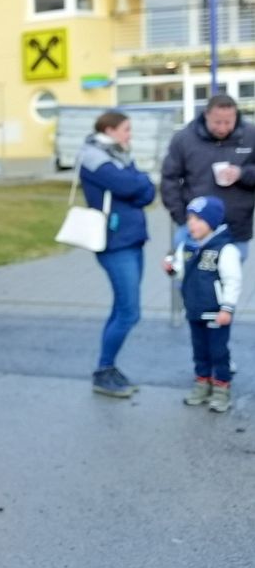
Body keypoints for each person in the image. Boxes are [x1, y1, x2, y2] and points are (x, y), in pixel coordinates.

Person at [79, 111, 156, 398]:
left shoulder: (119, 154)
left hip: (132, 239)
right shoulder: (93, 157)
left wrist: (140, 183)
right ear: (109, 130)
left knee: (121, 308)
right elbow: (132, 186)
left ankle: (107, 369)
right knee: (129, 312)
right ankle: (103, 370)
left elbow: (147, 193)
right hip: (114, 244)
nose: (129, 135)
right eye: (126, 129)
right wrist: (140, 182)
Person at [164, 196, 240, 413]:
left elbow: (232, 281)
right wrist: (171, 269)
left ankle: (221, 389)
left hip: (216, 313)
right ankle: (202, 383)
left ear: (213, 222)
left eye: (198, 219)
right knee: (199, 351)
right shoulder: (186, 246)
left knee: (218, 352)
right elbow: (179, 271)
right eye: (189, 218)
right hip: (194, 310)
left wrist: (227, 308)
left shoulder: (225, 250)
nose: (191, 223)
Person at [161, 93, 255, 260]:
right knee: (189, 281)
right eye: (217, 122)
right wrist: (182, 218)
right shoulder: (184, 138)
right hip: (194, 229)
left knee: (229, 282)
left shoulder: (250, 136)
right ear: (206, 115)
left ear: (236, 116)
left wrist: (242, 173)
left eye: (228, 122)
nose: (222, 128)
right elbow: (169, 179)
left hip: (236, 228)